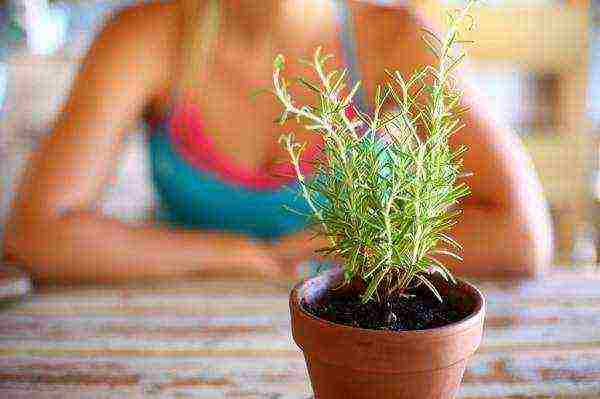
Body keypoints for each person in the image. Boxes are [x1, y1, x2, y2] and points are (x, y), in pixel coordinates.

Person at [2, 0, 553, 284]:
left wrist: (327, 251)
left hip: (360, 328)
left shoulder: (397, 41)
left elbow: (521, 237)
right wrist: (240, 256)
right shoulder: (146, 36)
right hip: (188, 326)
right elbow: (37, 234)